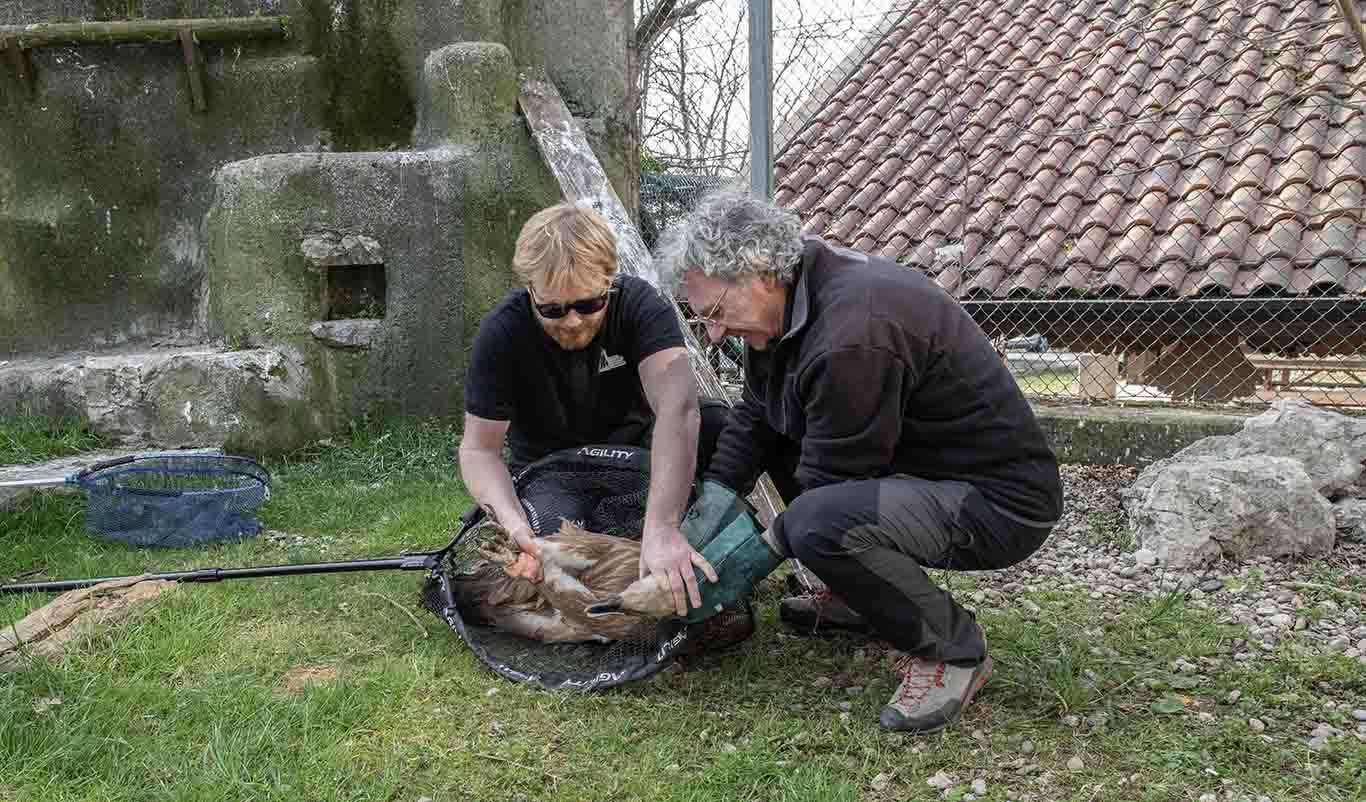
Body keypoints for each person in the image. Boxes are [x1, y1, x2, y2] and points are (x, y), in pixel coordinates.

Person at [652, 188, 1063, 733]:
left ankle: (955, 652)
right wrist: (715, 501)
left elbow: (827, 490)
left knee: (817, 525)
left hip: (997, 502)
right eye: (701, 318)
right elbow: (755, 414)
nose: (714, 333)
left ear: (758, 271)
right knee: (726, 428)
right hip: (916, 469)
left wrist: (738, 569)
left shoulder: (852, 334)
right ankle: (858, 595)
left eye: (717, 312)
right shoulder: (792, 296)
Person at [459, 202, 726, 619]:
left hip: (638, 453)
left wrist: (662, 527)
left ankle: (698, 543)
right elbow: (479, 450)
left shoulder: (641, 305)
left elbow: (679, 407)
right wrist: (514, 526)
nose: (571, 322)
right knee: (552, 560)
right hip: (551, 470)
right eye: (552, 309)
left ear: (610, 282)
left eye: (588, 304)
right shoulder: (502, 331)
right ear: (530, 289)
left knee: (718, 423)